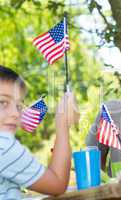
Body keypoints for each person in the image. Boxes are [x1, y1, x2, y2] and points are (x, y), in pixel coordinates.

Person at [0, 65, 80, 199]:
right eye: (2, 102)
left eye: (19, 105)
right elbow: (58, 184)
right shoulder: (3, 146)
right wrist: (63, 125)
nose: (15, 113)